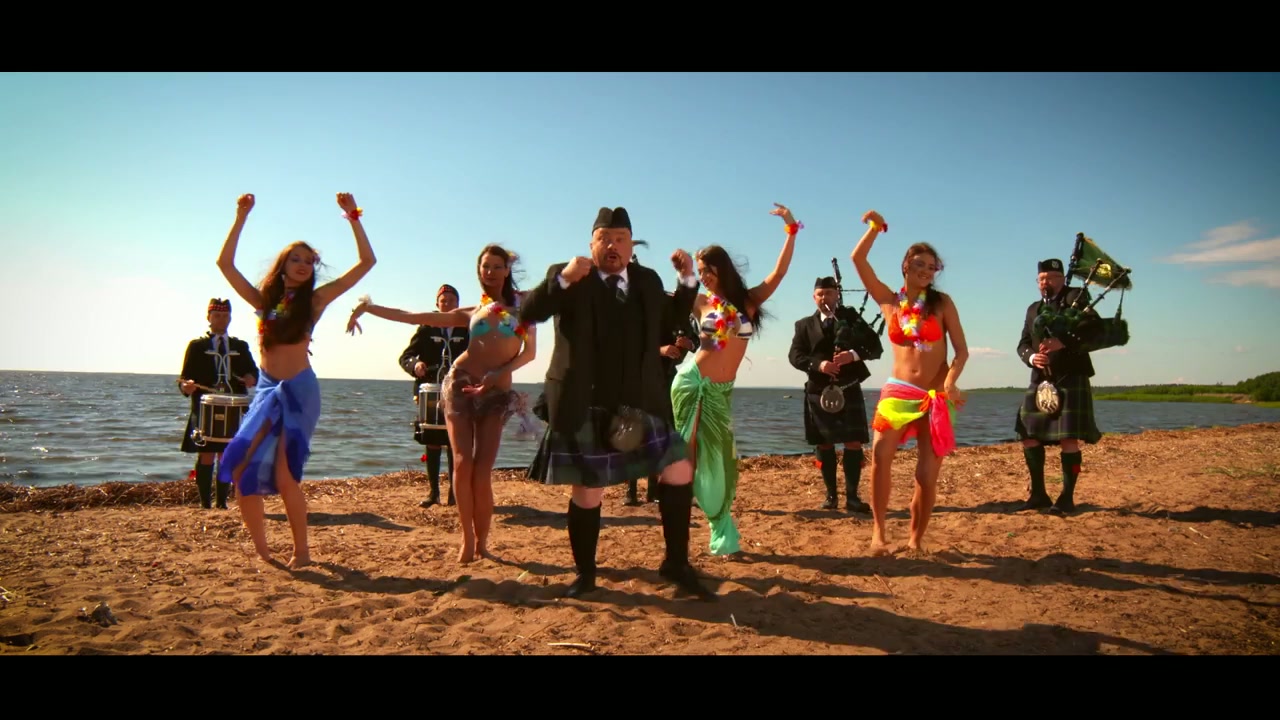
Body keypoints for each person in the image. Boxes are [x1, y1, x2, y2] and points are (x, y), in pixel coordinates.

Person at [519, 206, 714, 601]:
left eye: (620, 239)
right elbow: (529, 312)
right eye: (604, 239)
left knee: (679, 470)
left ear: (630, 245)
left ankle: (676, 564)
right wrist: (562, 279)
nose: (612, 246)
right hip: (584, 400)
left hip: (640, 400)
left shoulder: (646, 279)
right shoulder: (570, 277)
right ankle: (585, 575)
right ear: (591, 244)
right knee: (588, 491)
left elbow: (671, 317)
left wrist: (687, 279)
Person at [215, 192, 377, 569]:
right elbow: (224, 264)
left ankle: (301, 552)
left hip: (300, 390)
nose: (304, 265)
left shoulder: (315, 300)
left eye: (309, 261)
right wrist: (241, 216)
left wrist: (353, 217)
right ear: (283, 265)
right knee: (240, 469)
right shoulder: (264, 301)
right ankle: (263, 551)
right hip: (266, 389)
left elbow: (367, 262)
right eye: (296, 259)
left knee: (285, 474)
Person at [348, 244, 536, 564]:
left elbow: (529, 354)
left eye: (496, 266)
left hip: (496, 393)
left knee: (483, 470)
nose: (490, 272)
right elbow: (414, 317)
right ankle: (466, 540)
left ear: (507, 270)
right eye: (485, 266)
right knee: (462, 463)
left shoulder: (525, 307)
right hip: (460, 384)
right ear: (479, 271)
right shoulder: (472, 313)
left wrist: (497, 374)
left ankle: (483, 543)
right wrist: (368, 308)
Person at [669, 203, 798, 558]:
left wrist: (790, 228)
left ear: (722, 268)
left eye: (708, 270)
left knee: (720, 461)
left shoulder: (748, 302)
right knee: (688, 459)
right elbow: (669, 299)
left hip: (720, 391)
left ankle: (719, 527)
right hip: (691, 382)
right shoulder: (700, 302)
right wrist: (683, 273)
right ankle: (682, 528)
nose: (704, 276)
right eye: (700, 271)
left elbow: (780, 272)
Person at [850, 209, 969, 556]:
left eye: (933, 266)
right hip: (898, 391)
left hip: (936, 395)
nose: (927, 271)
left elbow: (961, 351)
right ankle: (879, 533)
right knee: (880, 456)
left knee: (926, 476)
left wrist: (951, 381)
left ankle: (916, 538)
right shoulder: (890, 302)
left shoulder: (942, 304)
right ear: (905, 265)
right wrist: (875, 228)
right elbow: (858, 260)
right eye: (921, 264)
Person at [1014, 257, 1104, 515]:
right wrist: (1032, 357)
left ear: (1062, 279)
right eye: (1042, 279)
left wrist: (1063, 342)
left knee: (1068, 438)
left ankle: (1067, 498)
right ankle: (1039, 495)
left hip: (1070, 376)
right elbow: (1023, 343)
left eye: (1052, 278)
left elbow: (1095, 330)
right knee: (1028, 434)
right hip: (1040, 378)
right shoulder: (1033, 309)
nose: (1046, 282)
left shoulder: (1076, 298)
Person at [787, 276, 876, 513]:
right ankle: (831, 497)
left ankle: (853, 498)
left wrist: (852, 356)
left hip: (848, 388)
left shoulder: (851, 319)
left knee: (853, 442)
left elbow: (874, 347)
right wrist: (819, 365)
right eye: (820, 294)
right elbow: (795, 356)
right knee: (824, 444)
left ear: (837, 294)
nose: (824, 298)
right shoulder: (804, 325)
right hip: (818, 391)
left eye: (829, 293)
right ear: (813, 297)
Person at [178, 297, 259, 509]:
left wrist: (251, 377)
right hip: (205, 407)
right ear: (209, 317)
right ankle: (205, 503)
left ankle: (222, 503)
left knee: (226, 455)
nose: (221, 319)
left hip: (234, 407)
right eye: (217, 315)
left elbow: (253, 371)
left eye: (225, 316)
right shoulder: (197, 346)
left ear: (230, 318)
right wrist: (186, 386)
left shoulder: (240, 346)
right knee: (206, 455)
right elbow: (185, 377)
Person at [398, 283, 470, 508]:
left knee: (454, 443)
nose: (447, 304)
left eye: (451, 301)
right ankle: (433, 493)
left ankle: (454, 493)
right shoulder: (426, 328)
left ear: (458, 304)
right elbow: (406, 356)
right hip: (430, 391)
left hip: (459, 391)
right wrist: (415, 365)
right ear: (437, 304)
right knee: (432, 442)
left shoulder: (467, 328)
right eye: (443, 301)